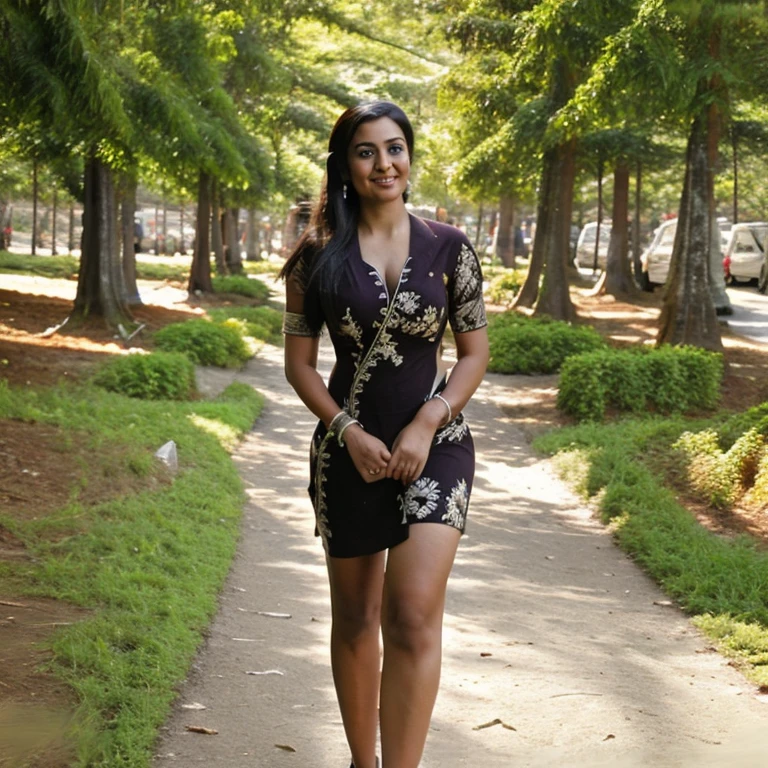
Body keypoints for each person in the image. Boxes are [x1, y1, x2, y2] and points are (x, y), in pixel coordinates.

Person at [280, 101, 489, 768]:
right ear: (346, 165)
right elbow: (299, 366)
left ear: (410, 156)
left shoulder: (450, 248)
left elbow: (475, 353)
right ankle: (362, 763)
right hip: (349, 453)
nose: (383, 163)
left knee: (411, 613)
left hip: (436, 447)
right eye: (366, 151)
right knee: (358, 618)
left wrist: (430, 420)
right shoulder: (316, 258)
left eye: (394, 148)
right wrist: (345, 430)